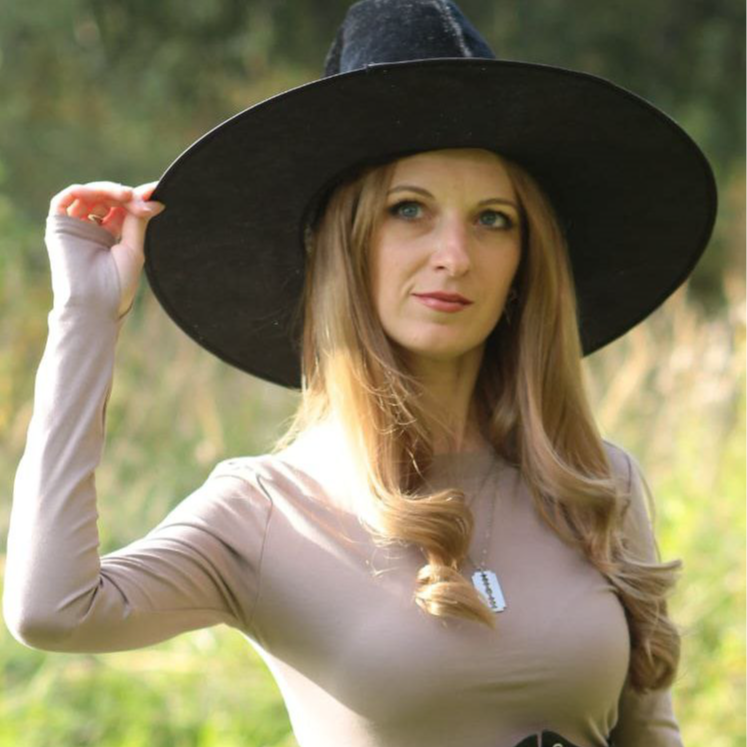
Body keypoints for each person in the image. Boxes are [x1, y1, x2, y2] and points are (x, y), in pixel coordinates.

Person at [3, 2, 717, 747]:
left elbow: (651, 735)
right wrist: (85, 316)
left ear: (523, 262)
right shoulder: (272, 510)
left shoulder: (595, 484)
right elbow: (53, 611)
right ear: (345, 248)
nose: (454, 255)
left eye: (492, 219)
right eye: (408, 210)